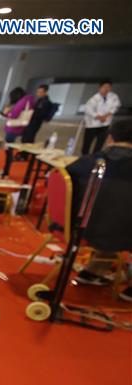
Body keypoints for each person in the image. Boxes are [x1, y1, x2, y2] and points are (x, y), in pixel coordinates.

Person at [68, 119, 132, 301]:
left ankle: (93, 271)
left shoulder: (86, 163)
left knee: (111, 211)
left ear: (110, 138)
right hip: (122, 235)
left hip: (81, 231)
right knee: (120, 215)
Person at [2, 87, 36, 176]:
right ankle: (6, 170)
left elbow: (14, 115)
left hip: (13, 128)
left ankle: (5, 171)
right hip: (21, 127)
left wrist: (7, 113)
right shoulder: (30, 101)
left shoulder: (22, 101)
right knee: (10, 149)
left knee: (8, 150)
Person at [82, 80, 121, 155]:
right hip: (92, 125)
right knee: (87, 143)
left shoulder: (113, 96)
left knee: (100, 143)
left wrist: (106, 116)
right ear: (100, 88)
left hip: (105, 124)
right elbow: (88, 109)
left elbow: (116, 106)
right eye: (104, 87)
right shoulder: (94, 98)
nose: (106, 89)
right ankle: (85, 157)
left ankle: (95, 156)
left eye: (108, 87)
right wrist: (99, 117)